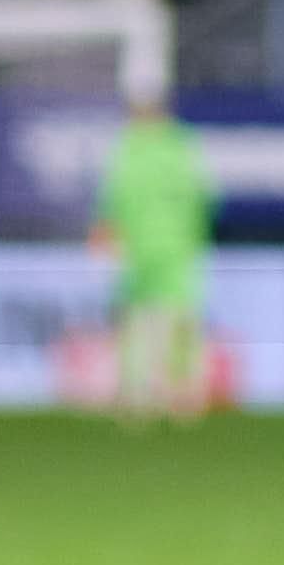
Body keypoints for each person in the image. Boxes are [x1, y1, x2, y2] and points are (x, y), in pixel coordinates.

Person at [91, 54, 219, 426]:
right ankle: (162, 393)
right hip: (162, 246)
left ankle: (153, 394)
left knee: (154, 319)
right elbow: (204, 198)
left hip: (153, 246)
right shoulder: (176, 145)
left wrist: (105, 228)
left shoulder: (136, 147)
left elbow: (112, 198)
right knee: (162, 319)